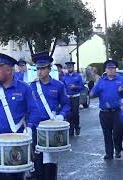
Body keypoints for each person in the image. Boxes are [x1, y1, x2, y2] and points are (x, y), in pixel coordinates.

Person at [0, 53, 40, 180]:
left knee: (15, 176)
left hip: (16, 142)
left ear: (9, 70)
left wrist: (30, 127)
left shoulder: (24, 88)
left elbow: (34, 111)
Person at [30, 51, 70, 180]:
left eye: (42, 68)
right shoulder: (32, 86)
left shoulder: (58, 85)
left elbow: (66, 104)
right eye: (38, 69)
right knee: (36, 161)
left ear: (49, 69)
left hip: (51, 128)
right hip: (36, 127)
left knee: (50, 163)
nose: (39, 71)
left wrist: (62, 115)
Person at [90, 60, 123, 159]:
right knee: (106, 133)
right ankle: (109, 153)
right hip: (104, 112)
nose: (111, 70)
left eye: (113, 68)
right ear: (106, 70)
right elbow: (92, 94)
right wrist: (93, 90)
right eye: (109, 68)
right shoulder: (101, 81)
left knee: (117, 132)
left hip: (117, 111)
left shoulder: (121, 80)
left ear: (115, 69)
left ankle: (118, 149)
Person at [62, 61, 84, 136]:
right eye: (68, 67)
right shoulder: (64, 77)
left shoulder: (78, 76)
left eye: (70, 67)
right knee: (69, 114)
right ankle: (71, 129)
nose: (69, 68)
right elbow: (63, 87)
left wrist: (75, 87)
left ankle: (77, 127)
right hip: (67, 98)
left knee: (75, 113)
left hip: (75, 97)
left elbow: (82, 87)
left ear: (73, 68)